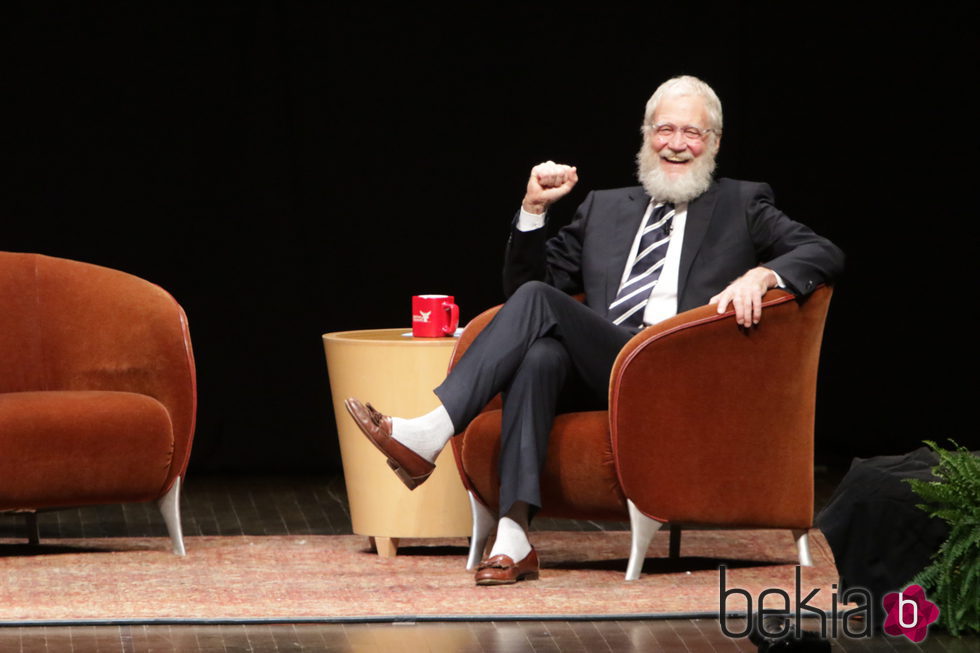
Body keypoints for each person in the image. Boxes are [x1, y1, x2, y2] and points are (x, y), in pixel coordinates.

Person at [345, 75, 844, 586]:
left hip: (673, 370)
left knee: (541, 313)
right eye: (665, 129)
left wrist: (765, 273)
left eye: (693, 133)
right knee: (539, 353)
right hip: (601, 364)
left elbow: (825, 252)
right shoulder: (604, 207)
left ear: (714, 142)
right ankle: (514, 537)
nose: (677, 143)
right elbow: (528, 290)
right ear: (646, 134)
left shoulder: (742, 204)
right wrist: (534, 210)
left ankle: (430, 431)